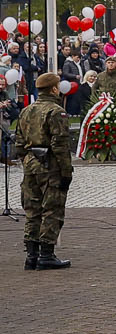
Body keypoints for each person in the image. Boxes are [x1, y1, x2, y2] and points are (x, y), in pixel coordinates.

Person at [17, 72, 71, 270]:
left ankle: (31, 254)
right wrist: (66, 171)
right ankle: (46, 254)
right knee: (52, 210)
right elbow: (60, 145)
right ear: (54, 89)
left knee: (32, 210)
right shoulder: (56, 112)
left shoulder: (26, 111)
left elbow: (19, 143)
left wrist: (27, 160)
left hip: (31, 164)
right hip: (50, 165)